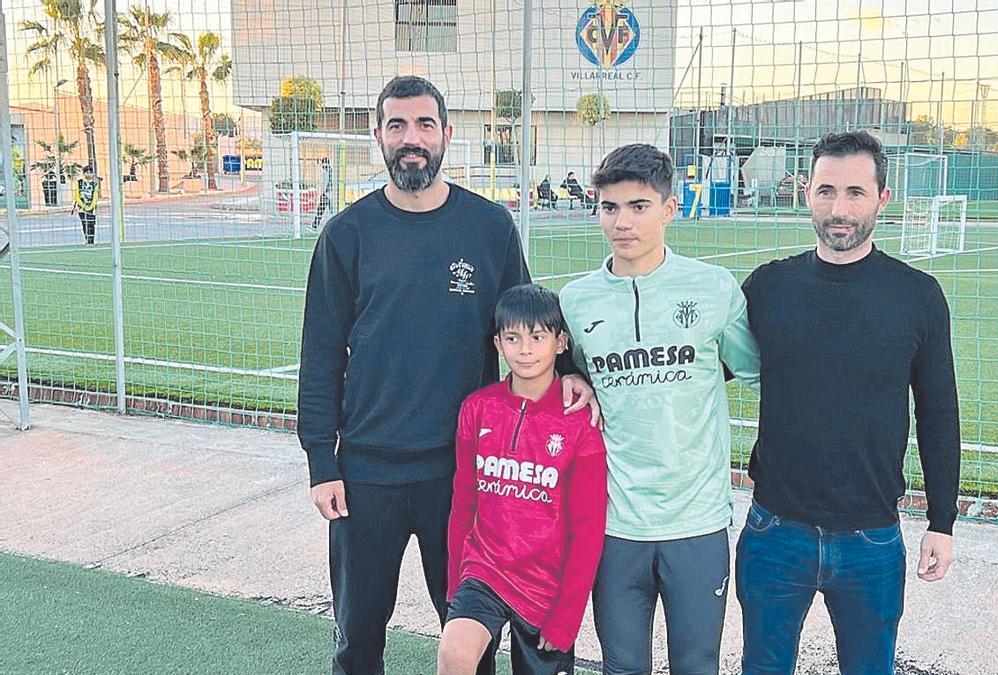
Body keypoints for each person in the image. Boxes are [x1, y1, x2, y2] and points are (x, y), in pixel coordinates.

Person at [297, 75, 597, 675]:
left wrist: (569, 371)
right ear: (378, 136)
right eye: (398, 125)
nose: (412, 139)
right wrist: (321, 463)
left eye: (425, 125)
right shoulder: (347, 235)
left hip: (463, 474)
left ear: (447, 135)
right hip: (366, 473)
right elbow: (321, 354)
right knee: (358, 637)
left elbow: (527, 319)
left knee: (467, 637)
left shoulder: (487, 227)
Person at [737, 130, 962, 675]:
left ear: (883, 198)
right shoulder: (769, 287)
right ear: (807, 194)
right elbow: (695, 368)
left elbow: (938, 414)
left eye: (855, 193)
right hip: (774, 532)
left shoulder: (917, 296)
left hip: (871, 538)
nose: (840, 209)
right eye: (826, 191)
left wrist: (942, 520)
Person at [559, 143, 760, 675]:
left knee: (696, 665)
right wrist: (574, 375)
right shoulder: (577, 301)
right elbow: (568, 371)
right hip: (614, 523)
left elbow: (750, 366)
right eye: (610, 207)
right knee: (622, 667)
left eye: (639, 206)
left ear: (669, 209)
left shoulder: (714, 288)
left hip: (695, 521)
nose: (622, 221)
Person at [438, 284, 607, 675]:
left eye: (537, 337)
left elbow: (588, 529)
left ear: (561, 342)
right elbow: (463, 502)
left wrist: (567, 618)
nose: (525, 349)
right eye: (513, 338)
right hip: (485, 571)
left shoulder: (580, 424)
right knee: (455, 654)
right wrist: (455, 587)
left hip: (546, 586)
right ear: (498, 343)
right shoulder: (478, 409)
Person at [73, 165, 101, 245]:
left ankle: (91, 240)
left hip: (91, 209)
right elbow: (76, 196)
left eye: (90, 172)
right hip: (81, 208)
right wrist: (83, 206)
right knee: (85, 223)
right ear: (84, 173)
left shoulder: (94, 184)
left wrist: (91, 206)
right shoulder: (79, 183)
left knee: (91, 224)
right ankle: (87, 238)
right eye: (87, 172)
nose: (89, 174)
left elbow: (95, 196)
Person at [311, 157, 334, 231]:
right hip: (329, 194)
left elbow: (328, 182)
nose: (321, 165)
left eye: (322, 163)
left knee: (320, 210)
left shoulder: (327, 171)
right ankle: (315, 225)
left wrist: (325, 191)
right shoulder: (329, 171)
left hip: (327, 194)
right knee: (331, 211)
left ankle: (315, 226)